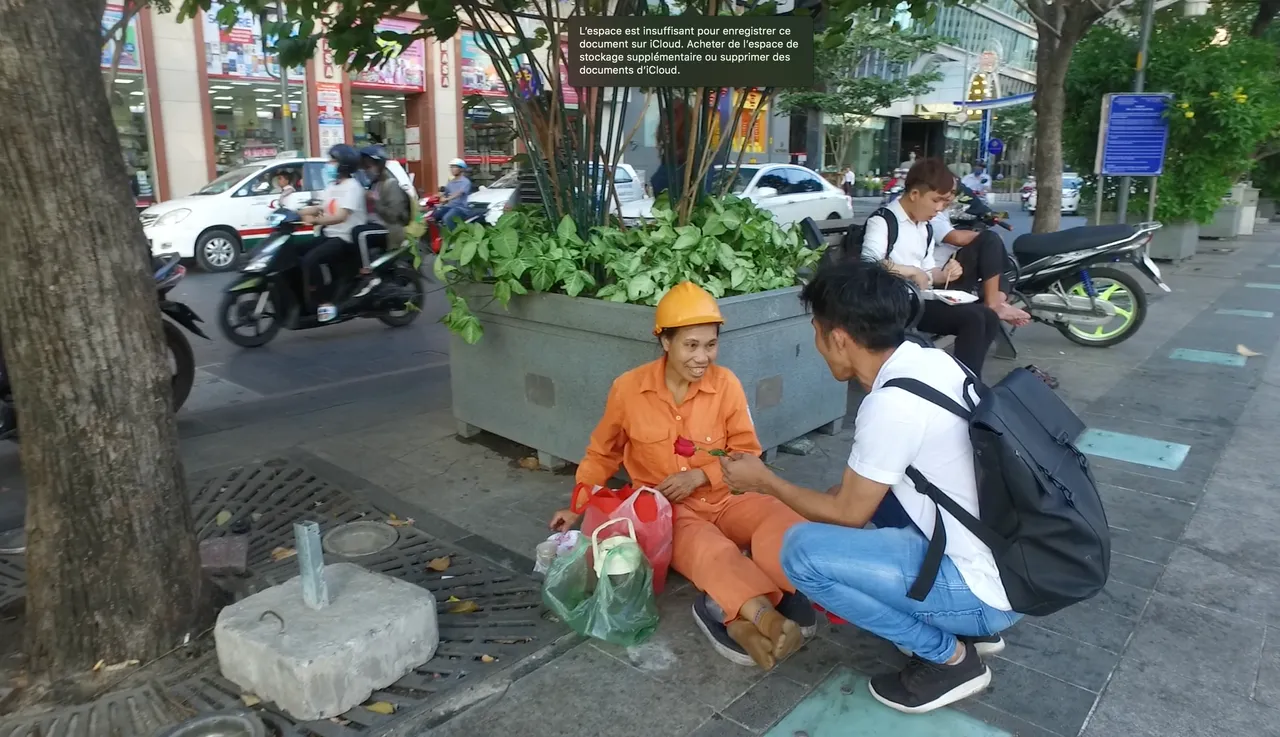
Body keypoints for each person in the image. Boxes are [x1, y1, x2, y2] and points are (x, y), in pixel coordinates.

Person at [717, 258, 1021, 715]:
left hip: (985, 591)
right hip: (1010, 567)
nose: (816, 345)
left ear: (838, 336)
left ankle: (949, 659)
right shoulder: (931, 362)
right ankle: (970, 625)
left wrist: (764, 481)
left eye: (817, 332)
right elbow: (860, 497)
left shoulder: (891, 405)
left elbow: (846, 512)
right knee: (875, 504)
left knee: (800, 553)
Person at [548, 282, 816, 671]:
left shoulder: (726, 386)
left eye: (710, 345)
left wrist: (702, 476)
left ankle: (757, 605)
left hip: (730, 495)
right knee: (711, 552)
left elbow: (747, 452)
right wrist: (578, 506)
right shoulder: (628, 390)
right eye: (691, 345)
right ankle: (766, 618)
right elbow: (601, 453)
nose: (702, 357)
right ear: (665, 342)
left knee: (782, 521)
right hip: (671, 512)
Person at [862, 158, 1001, 377]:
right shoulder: (883, 221)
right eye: (936, 200)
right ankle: (963, 386)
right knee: (972, 319)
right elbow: (869, 263)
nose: (938, 209)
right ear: (915, 194)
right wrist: (910, 271)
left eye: (943, 203)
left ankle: (970, 382)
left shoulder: (924, 227)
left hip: (919, 299)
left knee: (988, 316)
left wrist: (945, 273)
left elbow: (929, 273)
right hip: (892, 303)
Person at [298, 144, 367, 322]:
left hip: (345, 238)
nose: (329, 164)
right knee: (296, 252)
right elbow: (321, 207)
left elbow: (341, 216)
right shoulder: (332, 186)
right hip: (330, 234)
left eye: (332, 161)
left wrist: (316, 220)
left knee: (310, 260)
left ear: (343, 164)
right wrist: (298, 212)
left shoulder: (352, 187)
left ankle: (323, 301)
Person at [434, 158, 473, 229]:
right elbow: (445, 192)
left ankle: (454, 236)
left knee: (447, 218)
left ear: (461, 169)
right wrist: (437, 196)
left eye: (454, 167)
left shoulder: (465, 182)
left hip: (460, 208)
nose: (452, 169)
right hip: (449, 206)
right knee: (433, 216)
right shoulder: (451, 182)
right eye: (451, 167)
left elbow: (459, 193)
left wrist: (447, 199)